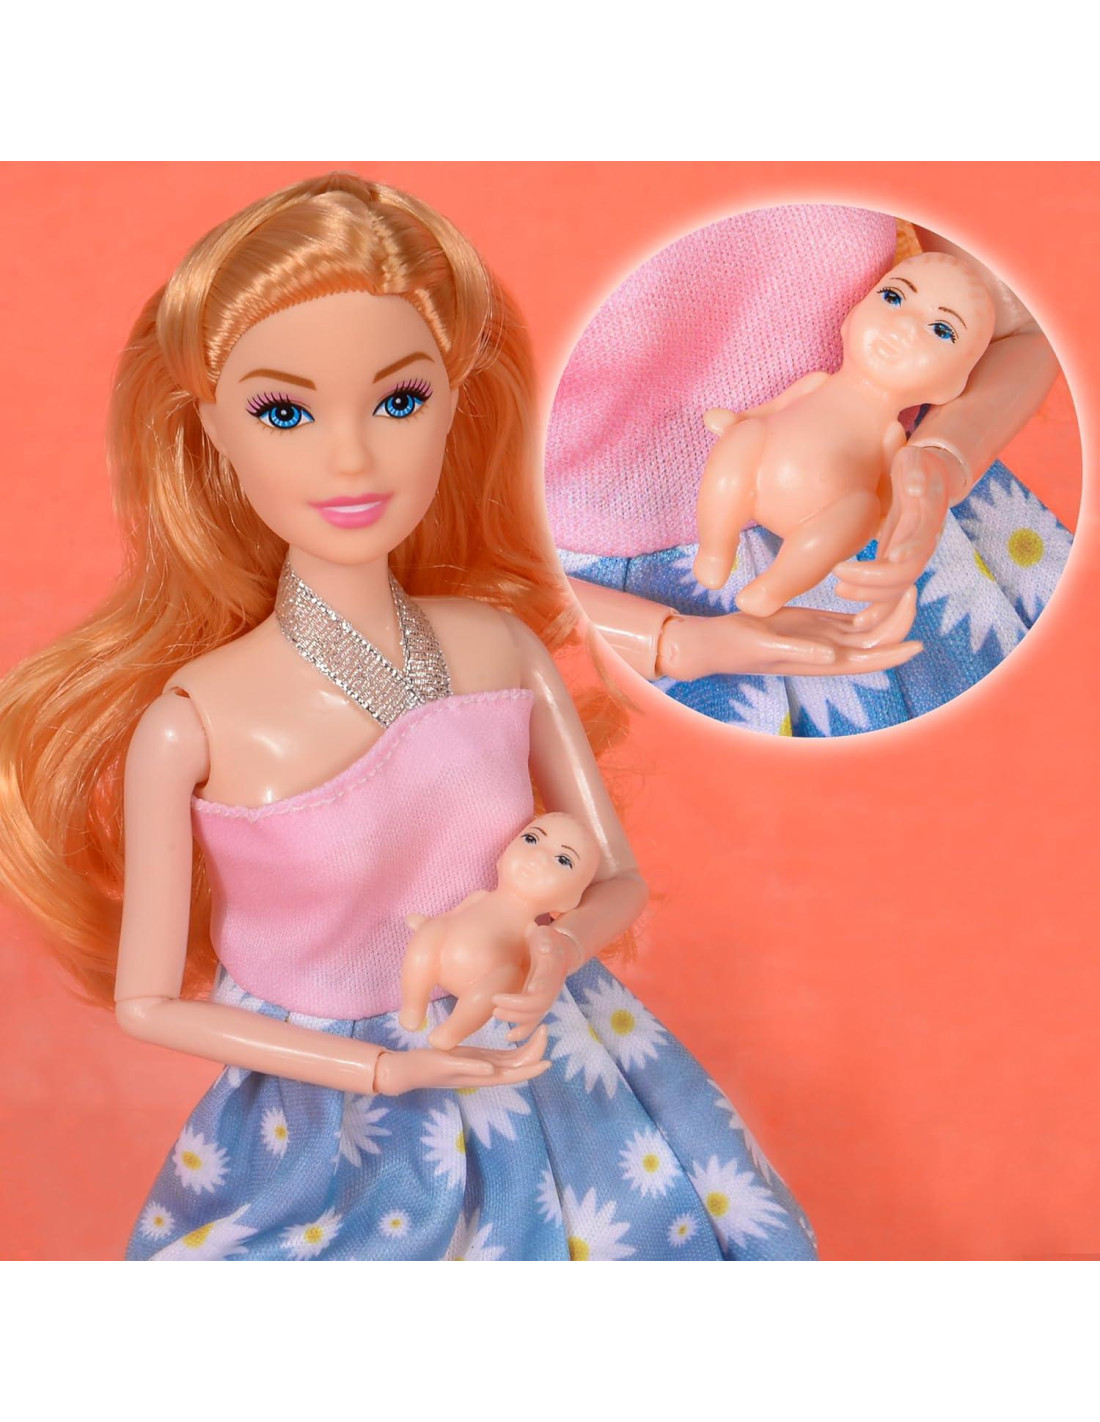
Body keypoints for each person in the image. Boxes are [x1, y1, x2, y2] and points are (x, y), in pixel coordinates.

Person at [0, 173, 816, 1261]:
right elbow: (148, 1004)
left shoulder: (499, 647)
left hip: (558, 1069)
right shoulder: (193, 724)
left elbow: (614, 876)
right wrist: (385, 1069)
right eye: (284, 412)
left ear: (454, 401)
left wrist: (553, 953)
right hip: (330, 1134)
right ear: (212, 431)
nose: (350, 458)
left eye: (398, 402)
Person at [548, 205, 1073, 737]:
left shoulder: (891, 440)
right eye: (894, 300)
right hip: (586, 595)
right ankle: (716, 550)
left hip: (886, 549)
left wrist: (940, 460)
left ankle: (776, 581)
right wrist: (671, 643)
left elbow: (1019, 326)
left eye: (938, 329)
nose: (903, 327)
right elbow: (480, 567)